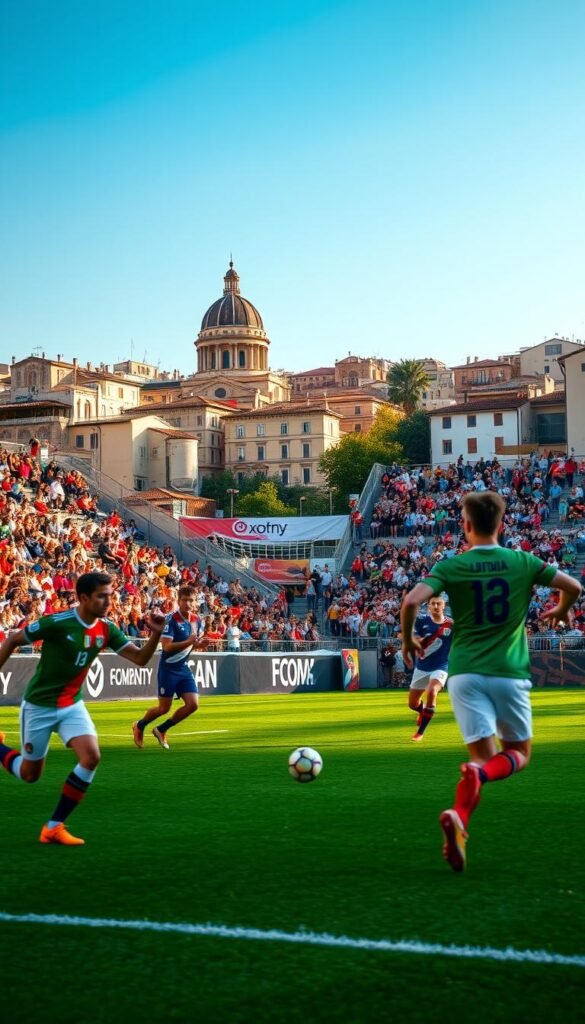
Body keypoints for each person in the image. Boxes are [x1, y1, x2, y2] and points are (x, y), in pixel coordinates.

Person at [400, 491, 580, 873]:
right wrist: (561, 610)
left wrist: (407, 640)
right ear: (501, 524)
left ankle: (461, 816)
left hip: (464, 675)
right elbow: (574, 586)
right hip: (508, 672)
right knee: (518, 754)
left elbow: (411, 601)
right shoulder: (522, 561)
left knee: (481, 756)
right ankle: (477, 779)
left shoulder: (452, 566)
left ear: (465, 526)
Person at [0, 570, 165, 845]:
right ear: (84, 597)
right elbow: (13, 640)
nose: (108, 602)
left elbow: (140, 659)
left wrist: (156, 635)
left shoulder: (107, 629)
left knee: (91, 757)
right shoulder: (57, 623)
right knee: (30, 775)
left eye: (110, 596)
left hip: (72, 704)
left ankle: (54, 827)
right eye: (102, 597)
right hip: (39, 706)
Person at [132, 585, 207, 751]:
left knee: (193, 704)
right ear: (178, 601)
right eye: (184, 600)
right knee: (163, 708)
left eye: (191, 600)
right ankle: (140, 725)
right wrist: (190, 642)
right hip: (168, 669)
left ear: (195, 602)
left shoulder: (197, 620)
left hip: (184, 669)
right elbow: (167, 647)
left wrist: (200, 645)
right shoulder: (171, 620)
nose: (188, 603)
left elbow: (192, 645)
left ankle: (161, 729)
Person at [407, 595, 452, 742]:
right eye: (433, 604)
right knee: (413, 704)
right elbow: (413, 638)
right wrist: (419, 641)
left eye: (439, 603)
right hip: (422, 668)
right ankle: (421, 711)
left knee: (432, 691)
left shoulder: (451, 625)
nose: (436, 606)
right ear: (429, 607)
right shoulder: (421, 621)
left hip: (441, 666)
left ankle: (420, 732)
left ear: (444, 605)